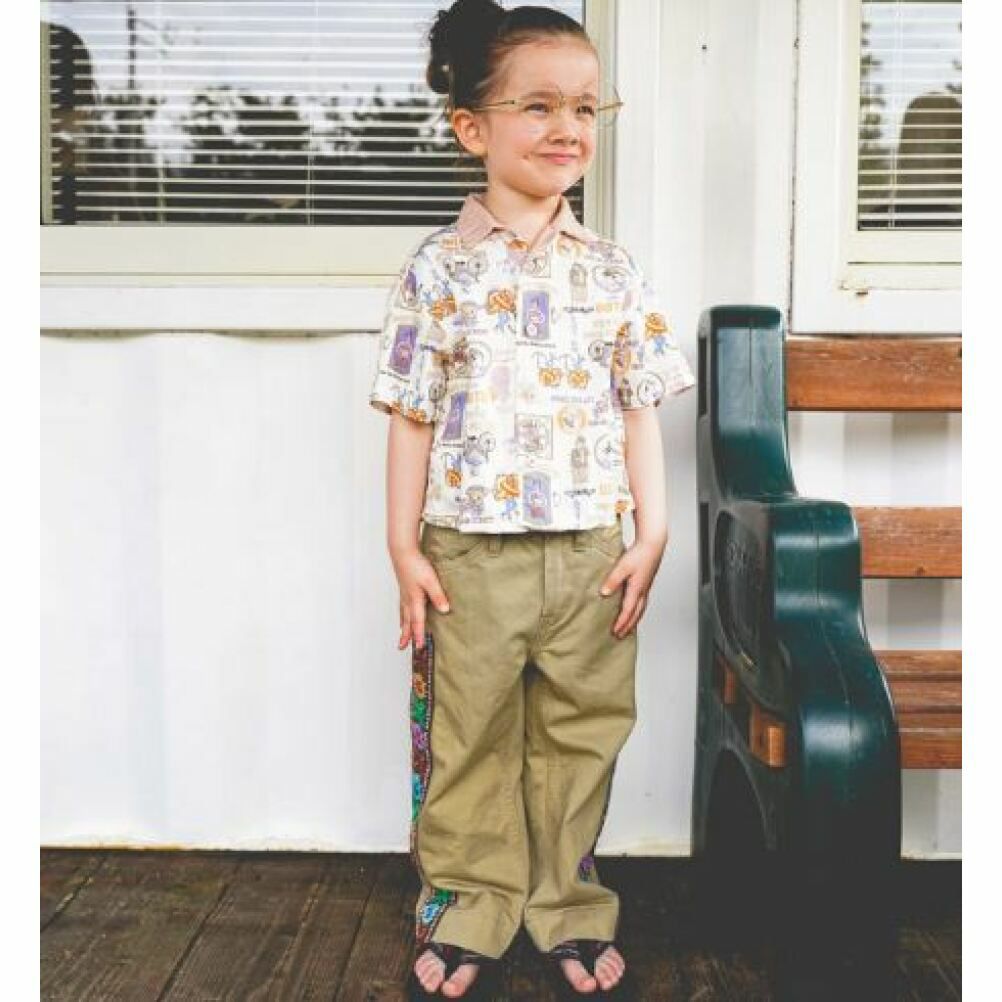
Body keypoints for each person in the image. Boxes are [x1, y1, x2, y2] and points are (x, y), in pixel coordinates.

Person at [368, 2, 696, 997]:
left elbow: (638, 407)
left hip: (592, 554)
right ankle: (469, 904)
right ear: (473, 128)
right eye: (540, 105)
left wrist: (652, 531)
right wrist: (404, 548)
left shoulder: (612, 272)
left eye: (586, 108)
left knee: (578, 738)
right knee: (468, 740)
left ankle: (568, 904)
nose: (568, 128)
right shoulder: (438, 271)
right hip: (470, 557)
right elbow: (412, 415)